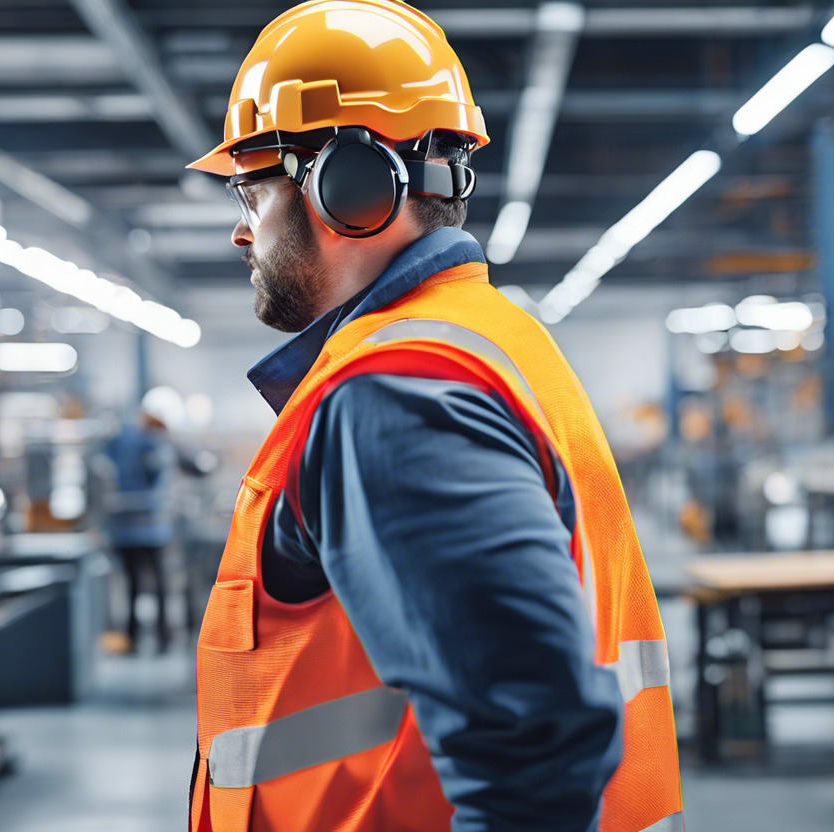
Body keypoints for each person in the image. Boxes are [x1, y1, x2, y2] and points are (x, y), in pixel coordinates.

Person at [185, 2, 683, 830]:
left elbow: (534, 738)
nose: (242, 232)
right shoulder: (487, 338)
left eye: (251, 184)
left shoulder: (396, 391)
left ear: (345, 183)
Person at [103, 394, 177, 653]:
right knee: (155, 583)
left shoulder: (123, 443)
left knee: (135, 583)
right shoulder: (148, 444)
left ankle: (136, 637)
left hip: (130, 526)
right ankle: (160, 636)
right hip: (147, 527)